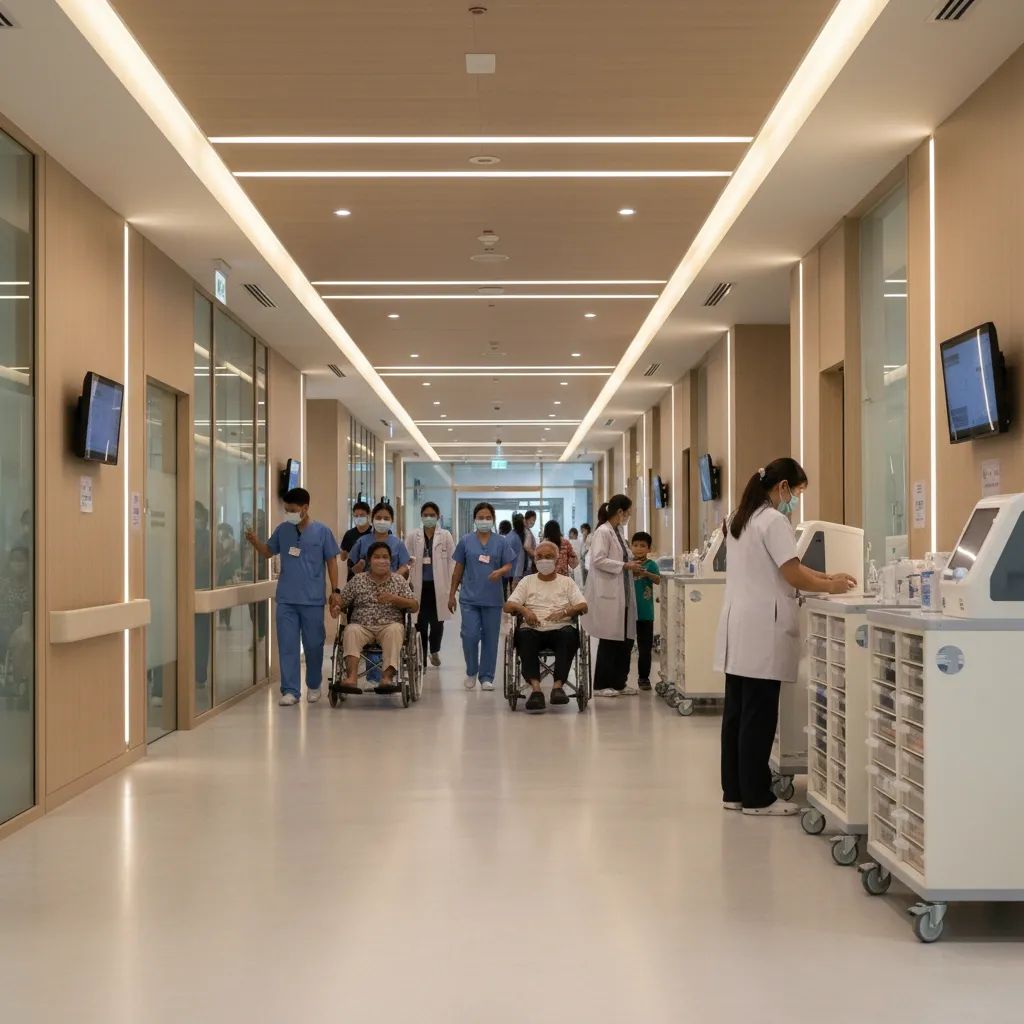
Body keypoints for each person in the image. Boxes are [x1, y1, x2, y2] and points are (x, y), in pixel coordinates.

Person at [714, 459, 856, 816]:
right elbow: (791, 574)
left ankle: (734, 791)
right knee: (758, 717)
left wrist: (825, 576)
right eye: (796, 492)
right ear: (782, 488)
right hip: (763, 627)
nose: (794, 500)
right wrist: (831, 586)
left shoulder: (738, 518)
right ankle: (758, 798)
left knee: (737, 714)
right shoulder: (774, 520)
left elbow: (788, 564)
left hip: (738, 625)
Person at [245, 487, 341, 706]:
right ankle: (290, 690)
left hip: (312, 599)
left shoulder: (322, 532)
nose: (288, 513)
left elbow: (332, 562)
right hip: (287, 598)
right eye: (286, 509)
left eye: (292, 510)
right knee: (287, 645)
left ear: (305, 508)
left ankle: (314, 685)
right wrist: (254, 541)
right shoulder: (283, 530)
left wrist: (335, 590)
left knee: (314, 645)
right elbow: (269, 552)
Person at [504, 540, 588, 713]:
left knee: (569, 635)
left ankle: (557, 687)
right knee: (524, 636)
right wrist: (524, 610)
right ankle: (536, 691)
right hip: (533, 629)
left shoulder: (567, 582)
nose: (544, 560)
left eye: (549, 557)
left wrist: (565, 612)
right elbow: (508, 606)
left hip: (560, 628)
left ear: (557, 560)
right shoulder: (527, 581)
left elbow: (583, 606)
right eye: (540, 557)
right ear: (534, 560)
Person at [336, 540, 419, 694]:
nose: (381, 560)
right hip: (361, 625)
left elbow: (414, 606)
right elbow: (342, 602)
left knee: (395, 630)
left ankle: (386, 678)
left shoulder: (398, 581)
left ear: (390, 560)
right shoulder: (358, 580)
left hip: (389, 625)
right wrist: (335, 605)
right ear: (369, 560)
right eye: (377, 557)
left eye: (385, 557)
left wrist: (395, 599)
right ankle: (352, 678)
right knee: (351, 630)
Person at [449, 502, 515, 691]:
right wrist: (451, 594)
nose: (484, 521)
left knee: (491, 638)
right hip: (469, 598)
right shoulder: (466, 541)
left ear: (493, 520)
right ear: (474, 519)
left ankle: (487, 676)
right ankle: (471, 671)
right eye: (481, 517)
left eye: (488, 518)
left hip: (493, 599)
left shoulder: (501, 542)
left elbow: (509, 564)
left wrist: (500, 571)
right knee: (469, 635)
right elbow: (458, 569)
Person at [582, 495, 642, 697]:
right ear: (620, 512)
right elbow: (598, 559)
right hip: (609, 593)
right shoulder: (603, 532)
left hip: (623, 592)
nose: (629, 516)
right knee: (610, 640)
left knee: (625, 641)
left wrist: (632, 564)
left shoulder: (617, 532)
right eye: (628, 512)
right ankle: (601, 684)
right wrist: (625, 565)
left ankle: (619, 682)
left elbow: (626, 557)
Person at [406, 501, 455, 668]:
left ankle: (434, 650)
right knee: (420, 622)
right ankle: (422, 658)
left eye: (432, 515)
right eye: (425, 515)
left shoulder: (445, 535)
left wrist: (451, 588)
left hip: (439, 587)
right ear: (421, 517)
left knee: (437, 622)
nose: (428, 518)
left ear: (438, 516)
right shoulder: (413, 536)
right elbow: (407, 560)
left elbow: (452, 561)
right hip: (419, 586)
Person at [630, 531, 661, 691]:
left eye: (643, 546)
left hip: (645, 613)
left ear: (649, 548)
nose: (639, 549)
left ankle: (644, 678)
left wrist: (645, 573)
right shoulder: (627, 564)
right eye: (635, 545)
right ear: (631, 547)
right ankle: (621, 678)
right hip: (628, 613)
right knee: (625, 646)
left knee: (644, 648)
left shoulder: (651, 564)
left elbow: (658, 580)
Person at [350, 503, 411, 576]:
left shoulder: (397, 543)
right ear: (372, 520)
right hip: (367, 585)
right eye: (378, 518)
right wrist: (360, 565)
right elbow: (352, 568)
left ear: (392, 521)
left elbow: (404, 566)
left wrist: (393, 579)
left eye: (386, 518)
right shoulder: (362, 541)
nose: (382, 521)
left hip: (391, 585)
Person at [339, 500, 373, 578]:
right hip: (353, 575)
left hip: (371, 574)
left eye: (362, 515)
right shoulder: (349, 534)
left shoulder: (373, 533)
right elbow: (343, 558)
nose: (359, 518)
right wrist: (345, 553)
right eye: (356, 516)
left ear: (368, 515)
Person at [508, 513, 529, 586]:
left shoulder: (524, 533)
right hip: (515, 570)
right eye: (523, 521)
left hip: (523, 568)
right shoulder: (512, 537)